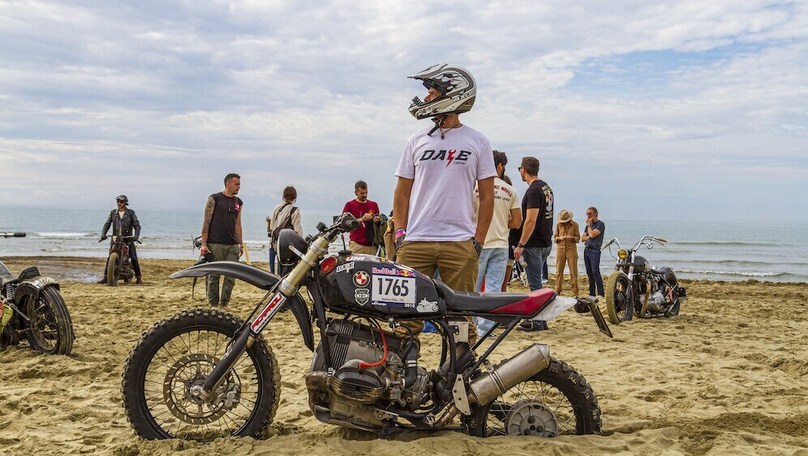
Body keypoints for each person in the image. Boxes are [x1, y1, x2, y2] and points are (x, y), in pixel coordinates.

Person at [393, 63, 495, 346]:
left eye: (433, 92)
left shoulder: (478, 141)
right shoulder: (415, 140)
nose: (426, 99)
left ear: (452, 96)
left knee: (461, 322)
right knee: (404, 321)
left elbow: (487, 195)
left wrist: (478, 241)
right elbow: (401, 192)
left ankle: (462, 383)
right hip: (415, 243)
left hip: (459, 244)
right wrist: (400, 234)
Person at [473, 150, 521, 338]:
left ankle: (471, 325)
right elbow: (517, 222)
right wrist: (502, 222)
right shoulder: (510, 190)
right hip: (501, 243)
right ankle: (485, 329)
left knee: (473, 289)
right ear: (500, 166)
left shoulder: (474, 187)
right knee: (493, 289)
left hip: (478, 241)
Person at [513, 156, 554, 331]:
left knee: (535, 284)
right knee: (537, 282)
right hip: (545, 242)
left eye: (519, 169)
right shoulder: (546, 187)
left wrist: (521, 244)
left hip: (534, 244)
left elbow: (530, 220)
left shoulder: (533, 191)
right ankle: (540, 320)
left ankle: (538, 321)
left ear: (523, 169)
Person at [200, 173, 243, 307]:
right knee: (214, 275)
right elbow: (206, 221)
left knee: (231, 276)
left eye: (239, 184)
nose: (239, 187)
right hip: (215, 243)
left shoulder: (238, 202)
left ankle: (224, 304)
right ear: (228, 183)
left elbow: (238, 224)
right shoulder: (215, 199)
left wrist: (240, 244)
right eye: (236, 184)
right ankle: (213, 304)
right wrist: (204, 244)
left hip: (232, 244)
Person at [98, 195, 142, 284]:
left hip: (127, 239)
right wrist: (103, 234)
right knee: (110, 257)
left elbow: (137, 226)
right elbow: (107, 224)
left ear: (125, 203)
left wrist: (136, 236)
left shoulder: (130, 213)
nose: (119, 203)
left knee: (133, 258)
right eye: (118, 201)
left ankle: (138, 277)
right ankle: (106, 277)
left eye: (121, 202)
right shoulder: (113, 213)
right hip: (116, 239)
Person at [267, 186, 303, 274]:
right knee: (284, 273)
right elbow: (297, 231)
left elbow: (271, 228)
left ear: (283, 195)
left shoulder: (277, 208)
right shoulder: (294, 210)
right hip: (285, 246)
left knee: (272, 273)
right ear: (295, 197)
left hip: (273, 243)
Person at [342, 180, 382, 255]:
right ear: (356, 193)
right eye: (362, 193)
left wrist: (377, 219)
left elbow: (379, 220)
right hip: (356, 244)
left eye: (366, 192)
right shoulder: (349, 205)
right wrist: (361, 219)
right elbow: (344, 223)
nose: (365, 195)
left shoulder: (373, 205)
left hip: (372, 245)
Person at [554, 209, 580, 296]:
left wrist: (572, 237)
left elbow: (578, 238)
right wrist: (559, 238)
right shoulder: (558, 225)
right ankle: (557, 290)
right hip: (560, 248)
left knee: (573, 271)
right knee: (558, 271)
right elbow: (555, 238)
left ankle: (575, 291)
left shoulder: (575, 225)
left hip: (571, 249)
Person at [581, 206, 606, 298]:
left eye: (590, 214)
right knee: (589, 272)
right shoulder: (588, 226)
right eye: (587, 214)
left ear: (595, 214)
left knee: (595, 272)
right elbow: (582, 238)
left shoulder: (600, 224)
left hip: (594, 250)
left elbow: (591, 235)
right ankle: (592, 293)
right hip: (587, 249)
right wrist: (589, 235)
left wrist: (589, 227)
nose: (588, 216)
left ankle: (601, 293)